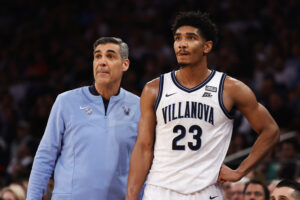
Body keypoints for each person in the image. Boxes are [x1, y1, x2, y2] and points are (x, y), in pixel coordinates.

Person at [126, 11, 280, 200]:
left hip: (206, 191)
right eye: (177, 38)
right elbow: (143, 147)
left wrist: (240, 171)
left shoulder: (230, 88)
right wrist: (131, 197)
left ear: (207, 46)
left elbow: (271, 130)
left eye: (191, 38)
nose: (182, 44)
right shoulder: (153, 89)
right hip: (160, 189)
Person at [27, 37, 141, 200]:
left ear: (125, 64)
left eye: (110, 56)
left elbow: (144, 163)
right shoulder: (66, 101)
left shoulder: (138, 106)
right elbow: (45, 156)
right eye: (97, 56)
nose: (102, 62)